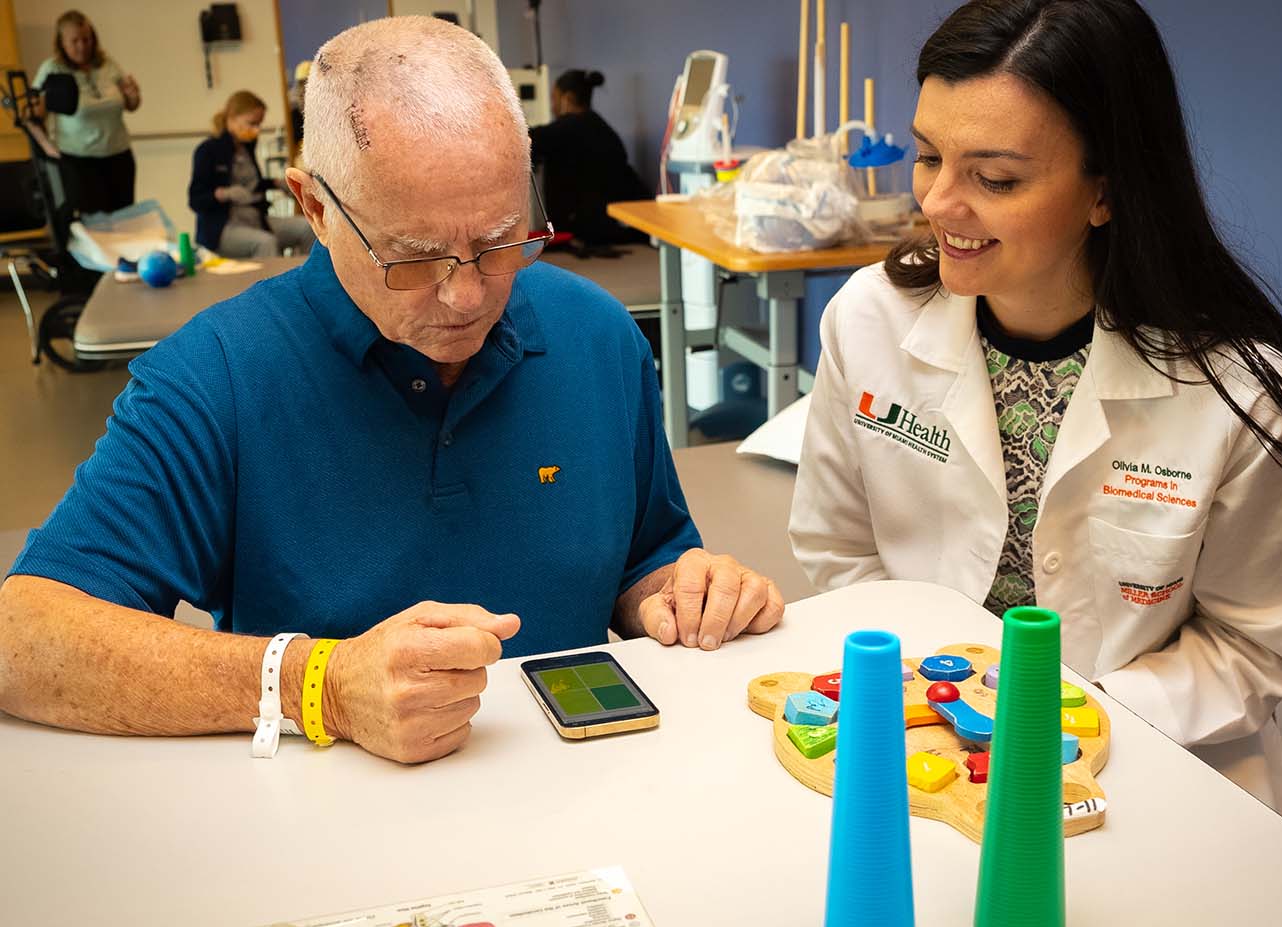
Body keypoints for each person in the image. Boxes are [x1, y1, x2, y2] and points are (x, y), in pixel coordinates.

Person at [0, 17, 783, 765]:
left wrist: (682, 591)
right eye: (414, 258)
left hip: (578, 799)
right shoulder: (215, 378)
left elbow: (646, 556)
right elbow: (23, 639)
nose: (468, 296)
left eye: (500, 241)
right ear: (314, 207)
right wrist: (322, 687)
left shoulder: (599, 337)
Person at [788, 0, 1282, 816]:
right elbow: (838, 549)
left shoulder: (1239, 390)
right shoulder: (869, 319)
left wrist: (1078, 720)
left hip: (1156, 763)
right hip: (918, 747)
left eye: (996, 178)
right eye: (927, 156)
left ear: (1106, 191)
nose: (939, 203)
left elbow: (1263, 644)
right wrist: (935, 709)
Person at [31, 9, 140, 214]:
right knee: (93, 226)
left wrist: (134, 96)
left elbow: (130, 104)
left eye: (87, 39)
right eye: (75, 41)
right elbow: (33, 116)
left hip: (119, 157)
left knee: (124, 223)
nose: (82, 46)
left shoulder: (108, 64)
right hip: (79, 162)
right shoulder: (53, 69)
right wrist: (47, 147)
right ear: (62, 42)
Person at [528, 69, 649, 249]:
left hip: (587, 228)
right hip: (621, 223)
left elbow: (526, 141)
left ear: (566, 99)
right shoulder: (604, 129)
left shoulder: (564, 129)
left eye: (554, 99)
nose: (552, 106)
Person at [188, 90, 314, 258]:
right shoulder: (207, 150)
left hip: (255, 219)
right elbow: (196, 199)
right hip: (223, 227)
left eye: (259, 124)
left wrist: (278, 183)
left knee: (307, 228)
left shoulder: (247, 148)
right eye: (252, 123)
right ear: (232, 118)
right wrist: (224, 194)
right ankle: (269, 284)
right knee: (266, 242)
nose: (256, 130)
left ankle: (308, 279)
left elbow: (252, 184)